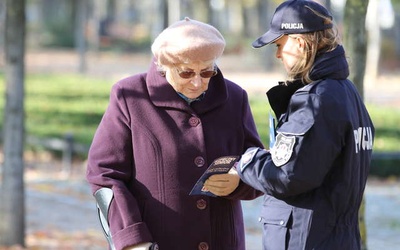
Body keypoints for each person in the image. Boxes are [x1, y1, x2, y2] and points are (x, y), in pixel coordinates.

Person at [204, 0, 375, 249]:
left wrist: (247, 161)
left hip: (306, 239)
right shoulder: (347, 93)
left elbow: (287, 175)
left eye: (279, 45)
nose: (277, 54)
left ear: (300, 42)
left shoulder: (315, 99)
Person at [86, 17, 263, 250]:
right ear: (163, 65)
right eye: (186, 73)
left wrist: (238, 181)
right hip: (156, 242)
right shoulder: (129, 96)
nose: (198, 82)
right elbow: (104, 174)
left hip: (222, 241)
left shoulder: (235, 97)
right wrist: (131, 239)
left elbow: (256, 164)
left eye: (207, 72)